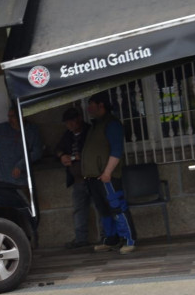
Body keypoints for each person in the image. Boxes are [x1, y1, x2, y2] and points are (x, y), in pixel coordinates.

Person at [83, 92, 136, 254]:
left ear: (101, 105)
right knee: (104, 211)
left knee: (117, 207)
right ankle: (111, 240)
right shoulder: (96, 125)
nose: (88, 108)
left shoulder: (111, 124)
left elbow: (116, 151)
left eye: (91, 104)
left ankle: (129, 240)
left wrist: (107, 172)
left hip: (107, 177)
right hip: (94, 178)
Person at [0, 106, 43, 195]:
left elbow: (37, 152)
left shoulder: (32, 131)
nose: (10, 120)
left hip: (22, 179)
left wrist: (20, 165)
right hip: (3, 178)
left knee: (23, 205)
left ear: (22, 116)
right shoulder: (2, 128)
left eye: (13, 116)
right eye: (9, 116)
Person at [55, 107, 91, 249]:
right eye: (67, 123)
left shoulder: (89, 131)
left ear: (79, 119)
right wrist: (62, 156)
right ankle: (81, 239)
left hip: (92, 177)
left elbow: (87, 153)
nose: (70, 125)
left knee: (102, 208)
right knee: (79, 209)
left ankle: (106, 237)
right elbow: (57, 149)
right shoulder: (68, 135)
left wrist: (75, 157)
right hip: (77, 179)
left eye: (72, 122)